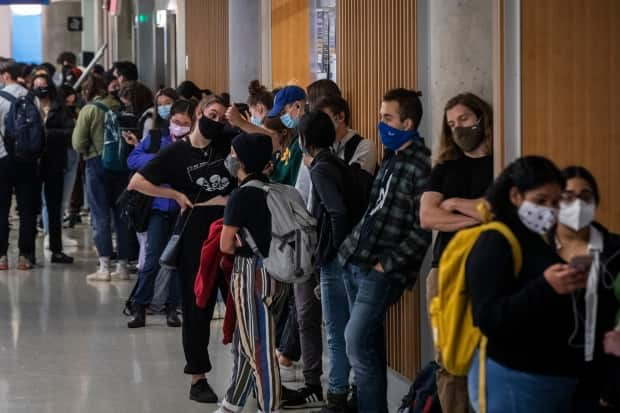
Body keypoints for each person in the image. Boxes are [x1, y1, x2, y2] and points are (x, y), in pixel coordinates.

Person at [128, 94, 237, 404]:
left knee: (238, 300)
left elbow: (265, 142)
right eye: (211, 115)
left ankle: (247, 369)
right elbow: (136, 182)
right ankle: (198, 376)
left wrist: (239, 122)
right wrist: (174, 194)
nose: (215, 122)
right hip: (195, 234)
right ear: (199, 113)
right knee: (196, 305)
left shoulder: (226, 141)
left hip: (229, 229)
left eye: (220, 118)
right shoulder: (176, 153)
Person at [465, 156, 588, 412]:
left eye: (556, 203)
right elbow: (488, 317)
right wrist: (545, 286)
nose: (549, 210)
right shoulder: (496, 240)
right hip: (517, 381)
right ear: (515, 196)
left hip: (549, 380)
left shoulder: (537, 239)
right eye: (540, 201)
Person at [337, 88, 432, 413]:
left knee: (354, 340)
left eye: (387, 118)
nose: (381, 124)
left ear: (407, 123)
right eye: (381, 117)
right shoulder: (390, 159)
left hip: (381, 270)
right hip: (354, 259)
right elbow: (373, 212)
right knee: (367, 348)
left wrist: (386, 265)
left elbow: (423, 230)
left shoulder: (422, 166)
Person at [419, 92, 494, 412]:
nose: (458, 128)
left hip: (492, 269)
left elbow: (504, 210)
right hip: (447, 271)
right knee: (450, 360)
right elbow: (427, 216)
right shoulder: (446, 168)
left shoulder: (503, 161)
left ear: (481, 118)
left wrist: (453, 205)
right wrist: (477, 216)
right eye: (451, 124)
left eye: (464, 119)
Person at [216, 133, 285, 413]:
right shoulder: (276, 191)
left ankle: (270, 406)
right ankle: (233, 402)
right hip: (277, 274)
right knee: (246, 338)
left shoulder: (240, 196)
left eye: (233, 154)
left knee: (258, 345)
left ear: (241, 161)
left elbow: (225, 245)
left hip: (250, 273)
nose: (230, 158)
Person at [299, 109, 352, 412]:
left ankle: (336, 393)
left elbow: (336, 212)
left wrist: (329, 252)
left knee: (334, 330)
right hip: (343, 256)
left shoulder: (319, 168)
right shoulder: (336, 163)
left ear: (304, 139)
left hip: (334, 260)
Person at [554, 166, 620, 412]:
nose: (577, 204)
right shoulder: (537, 252)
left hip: (601, 381)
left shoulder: (615, 252)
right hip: (547, 378)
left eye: (585, 197)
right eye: (568, 196)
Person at [124, 100, 195, 329]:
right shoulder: (155, 139)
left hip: (182, 210)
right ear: (169, 120)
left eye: (185, 123)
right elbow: (133, 159)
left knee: (176, 259)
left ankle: (172, 307)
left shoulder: (193, 144)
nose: (179, 127)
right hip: (156, 208)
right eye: (176, 122)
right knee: (153, 259)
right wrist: (162, 162)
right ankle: (139, 306)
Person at [72, 75, 129, 281]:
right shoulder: (121, 107)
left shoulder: (89, 110)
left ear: (87, 92)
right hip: (123, 167)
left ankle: (104, 266)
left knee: (100, 216)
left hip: (96, 165)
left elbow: (78, 143)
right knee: (122, 216)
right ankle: (123, 266)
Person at [0, 60, 40, 270]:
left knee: (1, 208)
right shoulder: (31, 97)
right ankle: (26, 256)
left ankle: (2, 257)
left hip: (2, 160)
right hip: (27, 159)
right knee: (27, 209)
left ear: (6, 75)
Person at [33, 73, 74, 264]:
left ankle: (56, 249)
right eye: (36, 85)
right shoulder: (28, 106)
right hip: (31, 163)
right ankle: (28, 252)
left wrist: (47, 134)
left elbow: (69, 133)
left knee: (54, 207)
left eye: (43, 84)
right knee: (30, 208)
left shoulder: (60, 109)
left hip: (54, 163)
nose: (40, 88)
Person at [266, 85, 305, 186]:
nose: (282, 117)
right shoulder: (292, 141)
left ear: (297, 106)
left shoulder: (301, 141)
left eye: (283, 112)